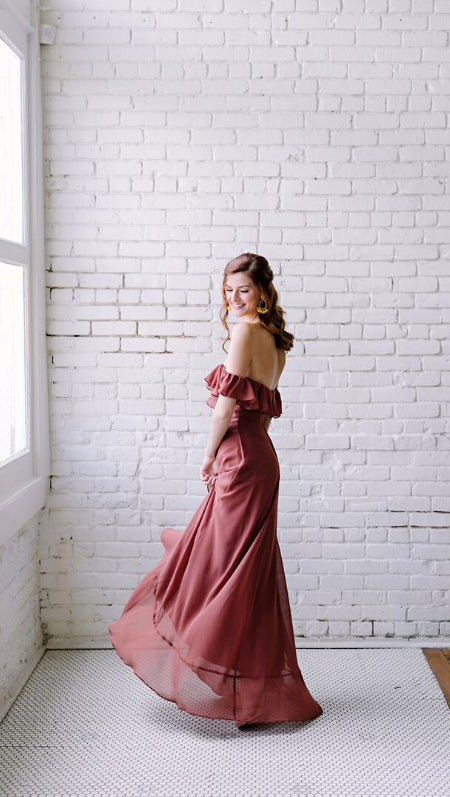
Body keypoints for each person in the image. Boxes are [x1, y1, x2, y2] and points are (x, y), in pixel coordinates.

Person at [109, 253, 322, 727]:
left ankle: (225, 678)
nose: (234, 299)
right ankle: (247, 692)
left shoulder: (246, 332)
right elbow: (263, 417)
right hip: (260, 460)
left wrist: (209, 456)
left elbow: (225, 410)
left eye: (243, 290)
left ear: (263, 295)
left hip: (240, 460)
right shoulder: (276, 342)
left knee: (220, 568)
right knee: (245, 573)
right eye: (228, 291)